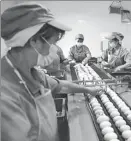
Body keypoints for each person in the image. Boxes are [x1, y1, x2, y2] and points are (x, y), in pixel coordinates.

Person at [1, 3, 102, 141]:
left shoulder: (31, 73)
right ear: (34, 41)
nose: (53, 49)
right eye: (52, 43)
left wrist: (88, 89)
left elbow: (61, 85)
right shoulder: (5, 93)